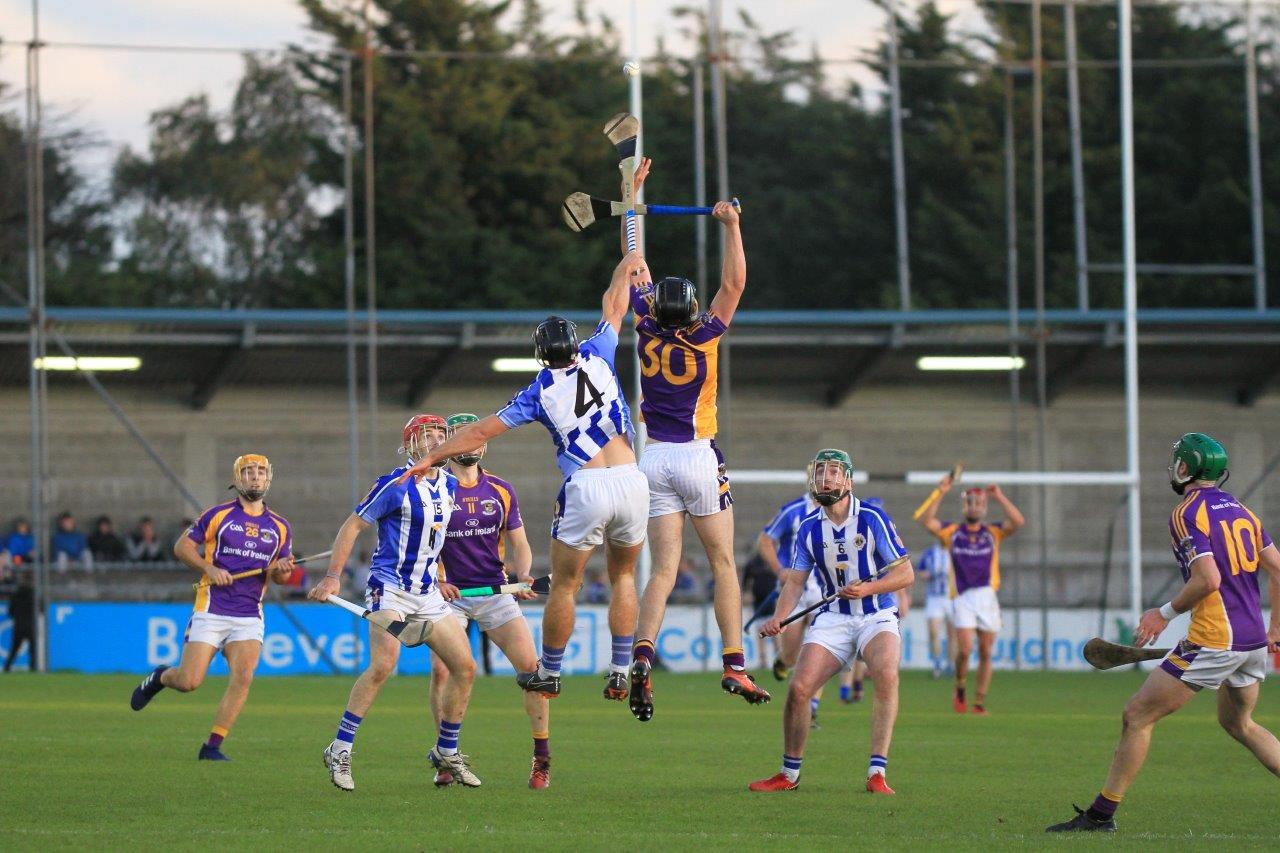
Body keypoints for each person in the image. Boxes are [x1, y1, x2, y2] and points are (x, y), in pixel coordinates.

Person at [399, 251, 649, 703]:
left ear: (539, 355)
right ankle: (619, 668)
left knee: (566, 583)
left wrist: (430, 456)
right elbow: (615, 302)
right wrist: (627, 261)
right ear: (574, 343)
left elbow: (478, 431)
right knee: (625, 577)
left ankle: (550, 671)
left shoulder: (537, 392)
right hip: (633, 478)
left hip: (588, 485)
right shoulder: (599, 353)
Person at [1048, 433, 1280, 833]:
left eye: (1177, 461)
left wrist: (1164, 613)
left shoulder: (1186, 513)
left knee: (1136, 715)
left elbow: (1207, 579)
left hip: (1213, 641)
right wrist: (1274, 627)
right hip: (1252, 644)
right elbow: (1277, 568)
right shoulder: (1243, 511)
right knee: (1240, 725)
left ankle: (1101, 816)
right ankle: (1101, 815)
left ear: (1186, 467)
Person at [623, 159, 767, 719]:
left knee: (660, 570)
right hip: (698, 457)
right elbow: (734, 283)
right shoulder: (706, 332)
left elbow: (634, 261)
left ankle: (642, 654)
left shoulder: (644, 323)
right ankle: (733, 661)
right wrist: (731, 226)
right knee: (724, 565)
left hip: (653, 458)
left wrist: (633, 200)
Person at [310, 415, 482, 792]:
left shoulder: (451, 484)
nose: (437, 440)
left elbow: (435, 540)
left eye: (442, 435)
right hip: (389, 588)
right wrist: (333, 576)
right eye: (429, 436)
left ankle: (447, 751)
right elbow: (352, 526)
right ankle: (340, 748)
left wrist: (442, 574)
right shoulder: (395, 484)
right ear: (410, 445)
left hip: (428, 594)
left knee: (465, 668)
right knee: (384, 665)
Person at [750, 449, 913, 794]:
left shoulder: (872, 518)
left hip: (877, 614)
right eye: (821, 472)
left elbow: (905, 573)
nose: (826, 478)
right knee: (798, 689)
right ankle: (789, 775)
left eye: (835, 473)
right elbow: (795, 581)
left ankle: (877, 773)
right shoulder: (809, 528)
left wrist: (869, 587)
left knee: (885, 674)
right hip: (833, 618)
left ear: (849, 481)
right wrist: (780, 618)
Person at [129, 454, 296, 761]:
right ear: (237, 479)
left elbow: (281, 578)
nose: (255, 477)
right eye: (248, 472)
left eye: (260, 472)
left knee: (243, 677)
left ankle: (212, 747)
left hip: (249, 614)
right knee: (189, 682)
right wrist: (209, 568)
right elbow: (182, 547)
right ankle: (160, 678)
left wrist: (283, 568)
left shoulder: (280, 527)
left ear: (268, 479)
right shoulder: (217, 516)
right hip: (212, 609)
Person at [430, 412, 551, 789]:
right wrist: (437, 580)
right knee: (443, 671)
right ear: (451, 442)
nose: (471, 443)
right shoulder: (435, 489)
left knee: (534, 672)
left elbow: (519, 542)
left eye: (475, 437)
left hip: (495, 594)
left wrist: (524, 575)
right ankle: (446, 756)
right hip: (449, 597)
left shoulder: (500, 489)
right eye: (461, 437)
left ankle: (541, 758)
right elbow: (422, 546)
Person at [918, 476, 1024, 715]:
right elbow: (927, 521)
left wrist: (999, 496)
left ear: (984, 508)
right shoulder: (953, 532)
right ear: (964, 507)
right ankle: (960, 685)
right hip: (962, 598)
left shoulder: (993, 533)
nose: (974, 507)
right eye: (969, 503)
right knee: (965, 650)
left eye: (978, 503)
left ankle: (978, 702)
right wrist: (941, 491)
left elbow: (1018, 521)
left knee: (986, 652)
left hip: (987, 597)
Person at [758, 485, 825, 725]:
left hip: (824, 594)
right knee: (792, 652)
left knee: (819, 649)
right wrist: (779, 570)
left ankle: (812, 707)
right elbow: (765, 540)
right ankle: (783, 661)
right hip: (795, 592)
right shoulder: (793, 511)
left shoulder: (839, 512)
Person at [917, 542, 955, 678]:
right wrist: (927, 575)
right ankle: (937, 664)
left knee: (953, 634)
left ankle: (951, 665)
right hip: (934, 598)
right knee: (934, 632)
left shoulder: (955, 552)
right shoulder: (930, 553)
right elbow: (920, 571)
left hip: (952, 598)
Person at [3, 568, 35, 672]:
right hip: (30, 625)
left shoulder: (15, 595)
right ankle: (33, 668)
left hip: (19, 625)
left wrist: (17, 616)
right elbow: (40, 609)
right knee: (33, 649)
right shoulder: (33, 595)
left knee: (14, 648)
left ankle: (7, 667)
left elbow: (10, 612)